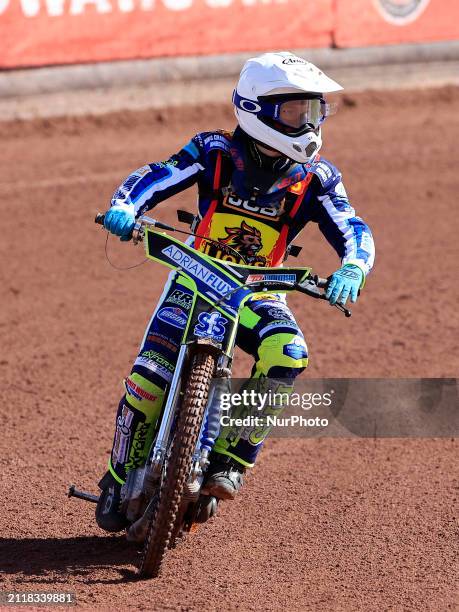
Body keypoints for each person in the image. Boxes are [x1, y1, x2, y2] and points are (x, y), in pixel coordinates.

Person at [95, 51, 375, 532]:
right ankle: (119, 477)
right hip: (195, 278)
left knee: (287, 352)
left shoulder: (318, 177)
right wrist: (125, 204)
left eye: (313, 111)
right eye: (294, 111)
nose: (308, 123)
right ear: (257, 109)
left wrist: (354, 266)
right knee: (148, 379)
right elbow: (161, 174)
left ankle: (229, 461)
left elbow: (351, 225)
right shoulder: (215, 151)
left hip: (259, 291)